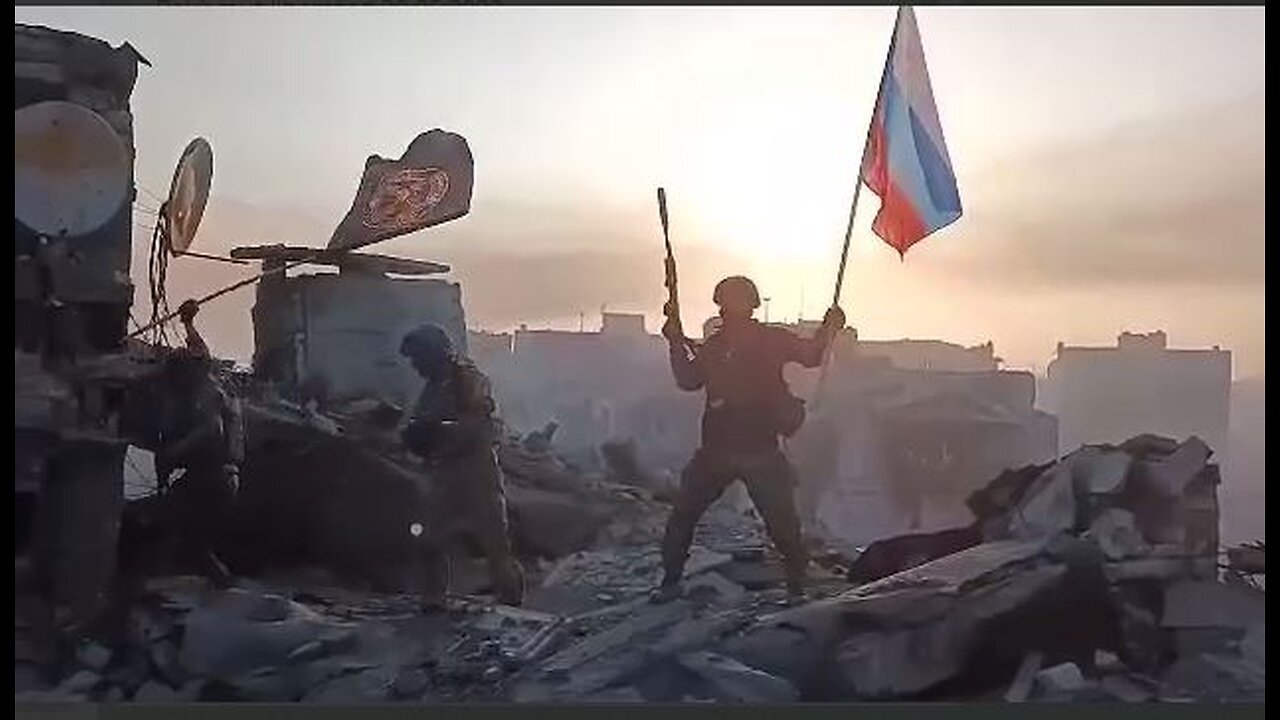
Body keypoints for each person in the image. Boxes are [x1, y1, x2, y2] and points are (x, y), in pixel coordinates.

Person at [654, 275, 844, 604]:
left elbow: (687, 380)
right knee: (779, 525)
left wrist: (828, 328)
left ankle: (794, 588)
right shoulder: (739, 344)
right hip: (735, 450)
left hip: (742, 450)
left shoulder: (729, 345)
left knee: (777, 524)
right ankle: (794, 588)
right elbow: (812, 355)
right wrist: (828, 329)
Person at [399, 324, 525, 609]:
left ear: (434, 354)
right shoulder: (432, 387)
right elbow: (421, 423)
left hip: (474, 471)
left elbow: (482, 426)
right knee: (428, 538)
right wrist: (415, 435)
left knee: (494, 542)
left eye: (419, 358)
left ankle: (510, 600)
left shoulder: (467, 381)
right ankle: (434, 599)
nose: (416, 365)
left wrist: (441, 432)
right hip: (442, 472)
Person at [153, 299, 243, 587]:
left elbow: (209, 428)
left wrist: (175, 451)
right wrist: (188, 322)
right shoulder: (200, 380)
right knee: (186, 531)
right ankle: (215, 581)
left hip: (215, 478)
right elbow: (199, 351)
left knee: (183, 528)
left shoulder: (203, 394)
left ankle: (218, 583)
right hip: (212, 477)